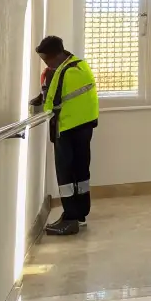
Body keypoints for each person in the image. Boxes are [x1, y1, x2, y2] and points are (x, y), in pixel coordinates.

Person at [32, 35, 99, 236]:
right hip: (85, 126)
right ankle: (79, 215)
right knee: (81, 173)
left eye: (46, 59)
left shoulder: (63, 72)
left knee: (66, 176)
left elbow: (53, 103)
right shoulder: (80, 65)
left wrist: (40, 107)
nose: (46, 63)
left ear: (54, 55)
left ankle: (69, 218)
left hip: (68, 128)